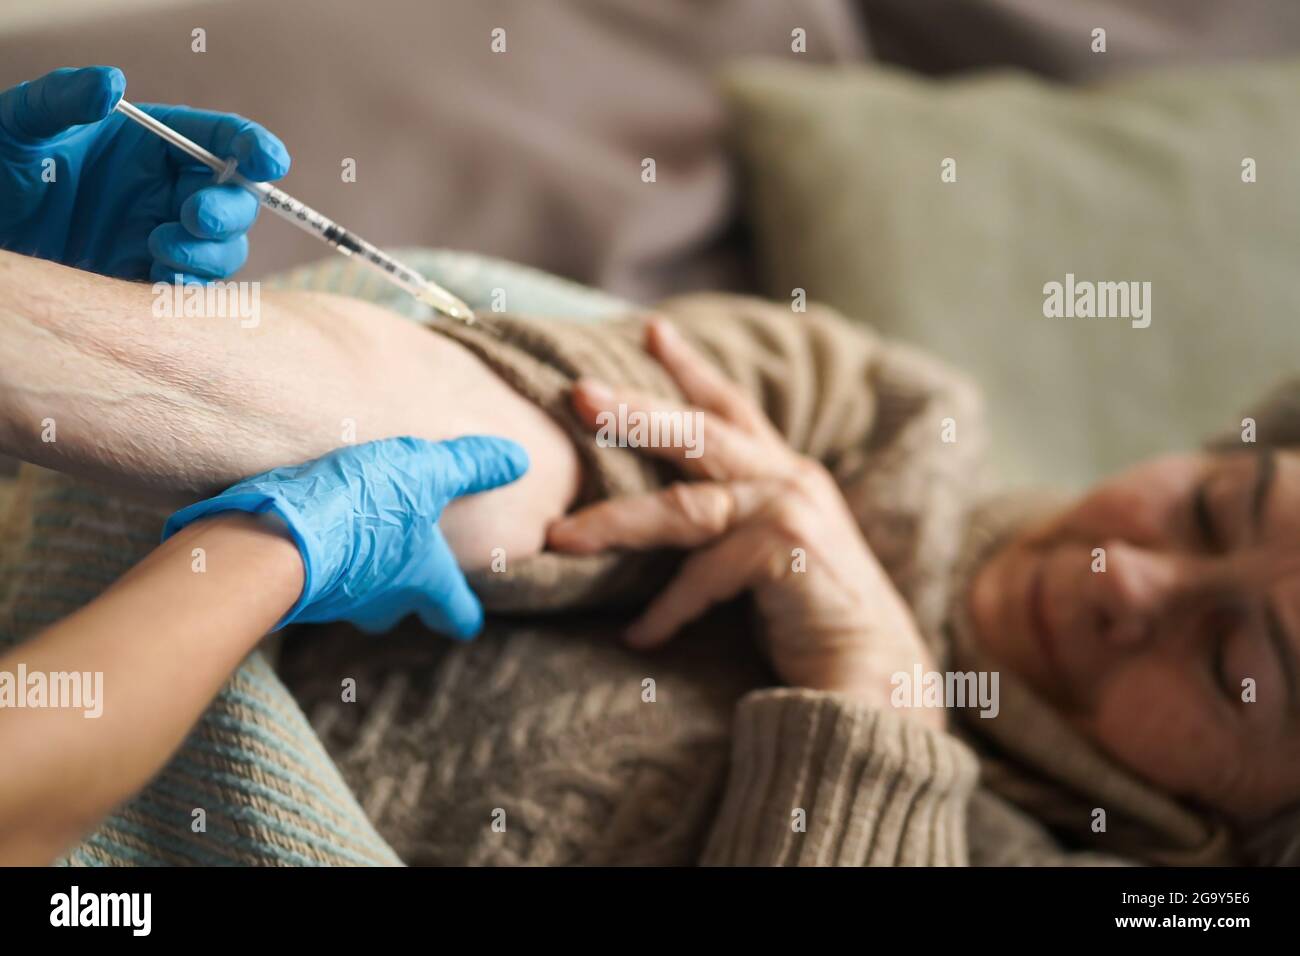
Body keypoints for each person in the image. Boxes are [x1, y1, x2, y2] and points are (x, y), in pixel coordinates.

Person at [3, 248, 1296, 866]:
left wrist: (875, 716)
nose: (1131, 583)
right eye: (1209, 508)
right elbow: (499, 426)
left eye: (1235, 666)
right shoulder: (895, 426)